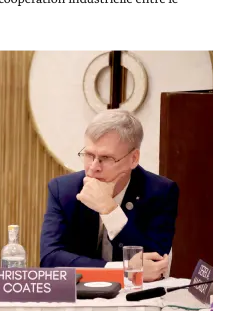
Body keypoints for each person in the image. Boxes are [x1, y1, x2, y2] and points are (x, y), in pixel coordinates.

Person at [39, 110, 178, 282]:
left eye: (106, 158)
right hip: (79, 294)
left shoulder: (161, 192)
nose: (93, 167)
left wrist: (110, 210)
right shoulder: (63, 190)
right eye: (89, 155)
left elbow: (153, 263)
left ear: (133, 158)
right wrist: (120, 271)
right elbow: (49, 260)